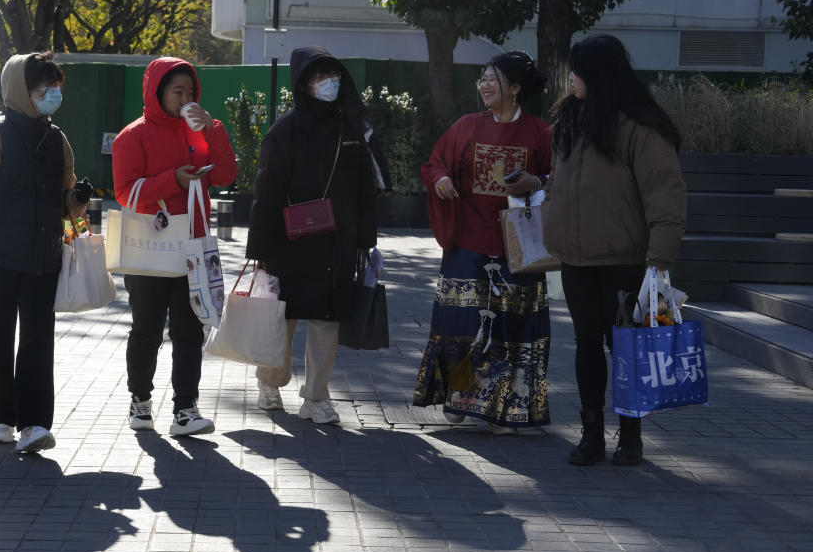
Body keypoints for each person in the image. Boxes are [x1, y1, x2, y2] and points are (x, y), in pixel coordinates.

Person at [542, 34, 686, 466]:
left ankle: (630, 436)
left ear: (597, 75)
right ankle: (591, 434)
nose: (570, 78)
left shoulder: (640, 129)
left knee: (626, 352)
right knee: (587, 346)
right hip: (575, 259)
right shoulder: (569, 121)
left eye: (578, 70)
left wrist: (658, 263)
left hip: (625, 261)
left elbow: (666, 198)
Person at [0, 52, 92, 452]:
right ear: (19, 91)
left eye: (56, 87)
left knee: (38, 341)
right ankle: (2, 419)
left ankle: (36, 425)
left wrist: (77, 199)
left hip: (45, 258)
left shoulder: (57, 138)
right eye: (44, 88)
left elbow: (66, 201)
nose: (52, 95)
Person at [413, 51, 552, 433]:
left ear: (516, 88)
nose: (485, 85)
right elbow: (434, 163)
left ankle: (500, 409)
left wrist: (538, 182)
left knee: (510, 326)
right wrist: (440, 180)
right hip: (469, 242)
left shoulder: (541, 133)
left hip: (519, 247)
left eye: (494, 79)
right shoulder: (466, 126)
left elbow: (560, 178)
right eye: (482, 79)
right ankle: (460, 395)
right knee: (463, 323)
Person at [246, 46, 379, 424]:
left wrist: (366, 239)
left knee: (327, 320)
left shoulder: (350, 128)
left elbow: (366, 187)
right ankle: (270, 382)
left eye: (333, 76)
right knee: (282, 319)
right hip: (290, 241)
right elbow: (266, 192)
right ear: (303, 84)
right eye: (319, 78)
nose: (329, 84)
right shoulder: (284, 131)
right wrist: (259, 248)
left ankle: (316, 397)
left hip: (338, 241)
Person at [112, 57, 237, 437]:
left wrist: (213, 129)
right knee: (146, 329)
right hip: (147, 246)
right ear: (157, 92)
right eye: (177, 91)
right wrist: (174, 180)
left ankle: (186, 408)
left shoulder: (200, 130)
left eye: (190, 91)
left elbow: (227, 174)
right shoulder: (132, 136)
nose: (185, 98)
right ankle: (140, 402)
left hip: (192, 244)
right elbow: (126, 193)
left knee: (189, 329)